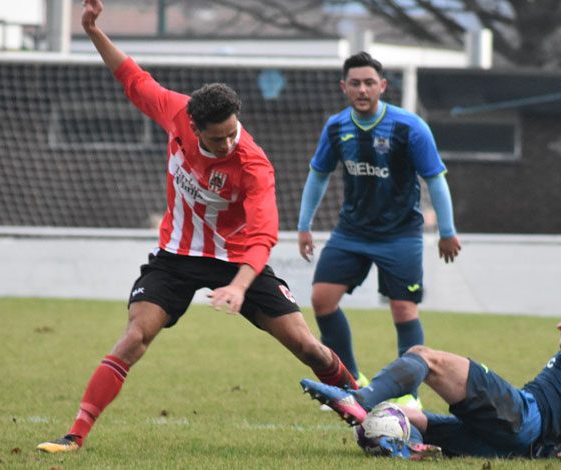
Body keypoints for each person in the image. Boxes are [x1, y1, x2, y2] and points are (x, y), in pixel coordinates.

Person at [36, 0, 357, 453]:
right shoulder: (176, 112)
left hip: (237, 263)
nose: (228, 141)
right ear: (192, 125)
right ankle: (74, 436)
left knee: (308, 348)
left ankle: (368, 412)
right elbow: (132, 78)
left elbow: (264, 236)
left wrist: (241, 287)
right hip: (177, 258)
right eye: (217, 137)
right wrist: (92, 31)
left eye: (232, 131)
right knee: (134, 336)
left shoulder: (254, 164)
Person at [297, 51, 462, 406]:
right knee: (321, 300)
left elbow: (435, 180)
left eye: (369, 82)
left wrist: (447, 231)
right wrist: (303, 225)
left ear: (383, 86)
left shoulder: (409, 127)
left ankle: (407, 395)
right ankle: (351, 381)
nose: (362, 89)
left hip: (400, 235)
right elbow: (318, 176)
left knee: (404, 311)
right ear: (344, 87)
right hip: (351, 232)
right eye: (355, 83)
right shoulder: (337, 127)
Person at [300, 292, 561, 464]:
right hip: (518, 448)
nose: (560, 324)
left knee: (425, 356)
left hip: (522, 417)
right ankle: (400, 445)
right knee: (399, 417)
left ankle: (356, 398)